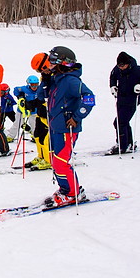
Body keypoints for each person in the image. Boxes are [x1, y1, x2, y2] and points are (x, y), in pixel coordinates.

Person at [44, 46, 95, 207]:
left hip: (67, 128)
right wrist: (45, 80)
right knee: (55, 161)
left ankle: (73, 193)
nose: (49, 63)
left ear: (63, 62)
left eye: (52, 60)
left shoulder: (71, 80)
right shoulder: (56, 79)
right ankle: (65, 189)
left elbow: (89, 98)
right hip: (55, 127)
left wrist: (77, 117)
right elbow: (41, 96)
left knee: (60, 162)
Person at [107, 52, 140, 155]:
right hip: (120, 99)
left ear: (128, 63)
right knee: (122, 122)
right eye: (119, 65)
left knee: (120, 122)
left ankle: (122, 146)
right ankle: (128, 143)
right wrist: (113, 86)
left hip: (132, 100)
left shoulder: (137, 70)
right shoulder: (117, 69)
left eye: (122, 65)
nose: (121, 68)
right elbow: (112, 77)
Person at [28, 52, 54, 169]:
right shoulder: (46, 75)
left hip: (48, 110)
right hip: (40, 108)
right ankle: (41, 156)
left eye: (39, 70)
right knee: (37, 134)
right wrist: (34, 103)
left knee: (45, 136)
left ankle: (49, 159)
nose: (40, 73)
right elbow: (41, 92)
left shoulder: (55, 75)